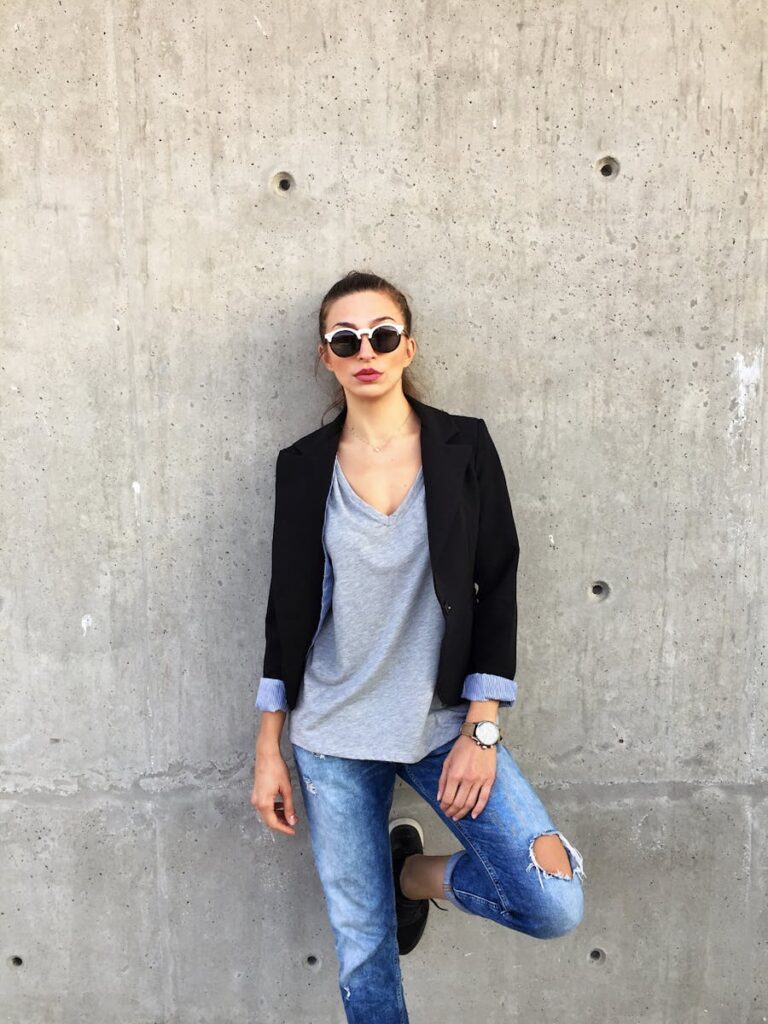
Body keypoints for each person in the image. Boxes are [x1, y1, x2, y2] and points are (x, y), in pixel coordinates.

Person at [251, 270, 586, 1023]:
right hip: (332, 735)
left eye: (381, 335)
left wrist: (482, 728)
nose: (365, 349)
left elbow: (497, 585)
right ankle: (387, 894)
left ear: (408, 347)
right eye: (346, 340)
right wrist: (270, 745)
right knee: (365, 950)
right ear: (326, 358)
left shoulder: (465, 446)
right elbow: (287, 613)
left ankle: (413, 877)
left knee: (551, 900)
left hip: (441, 725)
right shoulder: (303, 468)